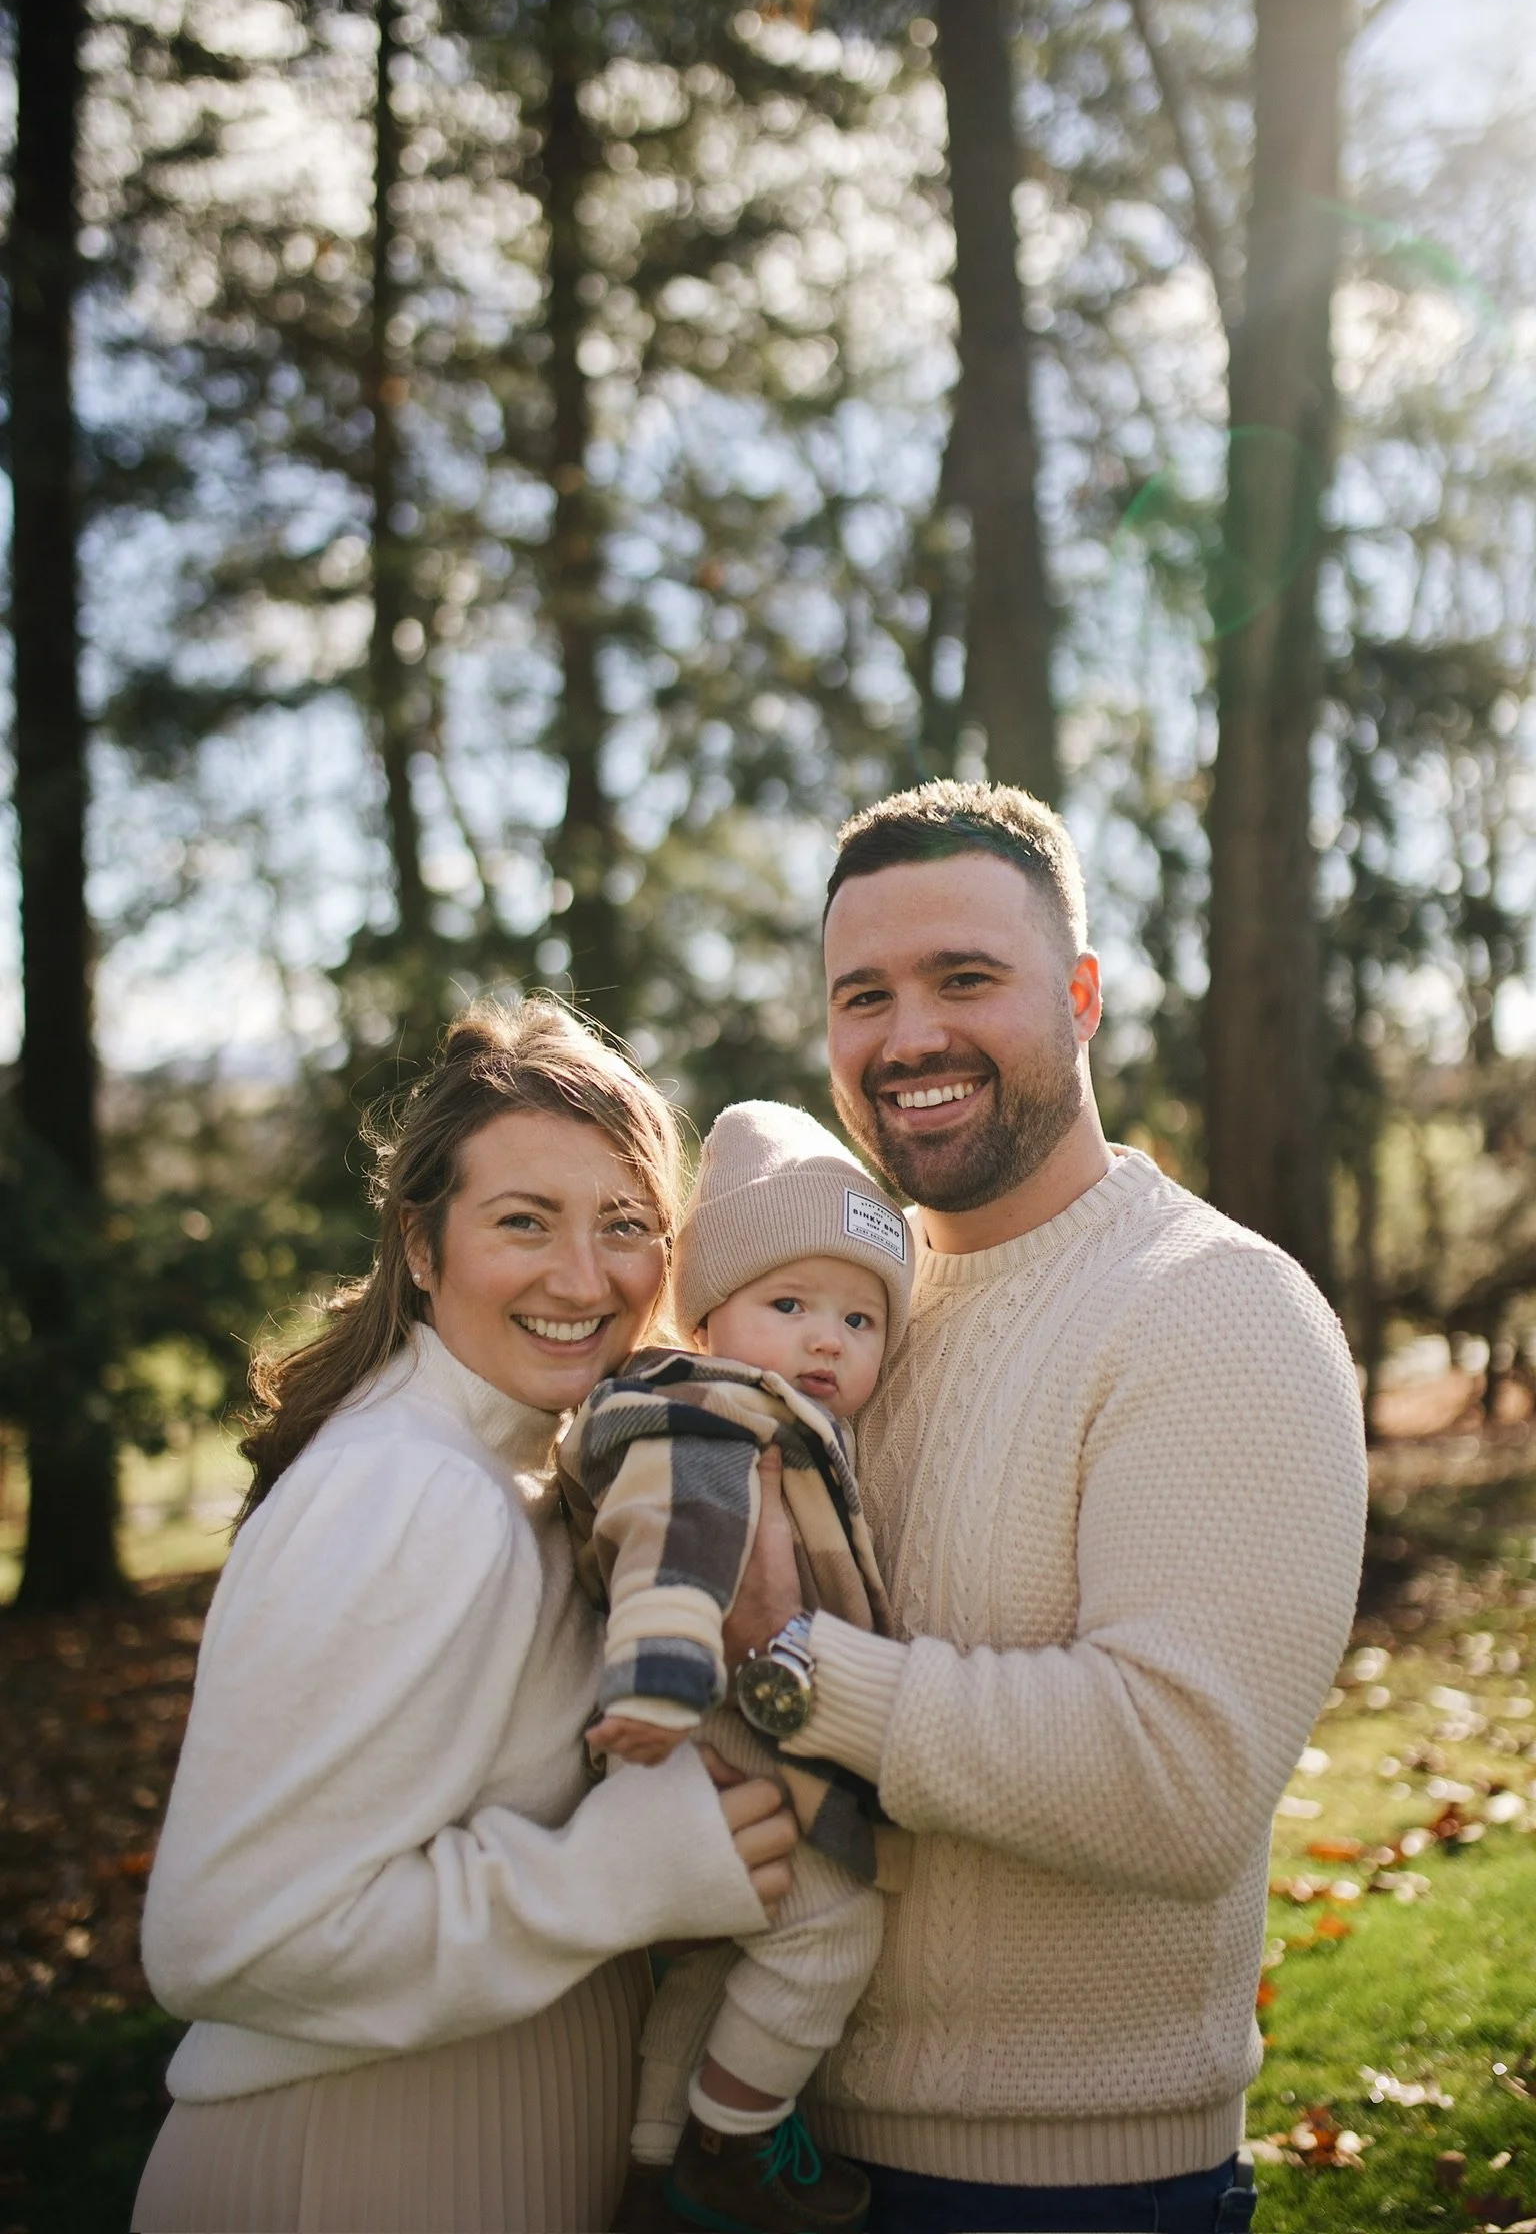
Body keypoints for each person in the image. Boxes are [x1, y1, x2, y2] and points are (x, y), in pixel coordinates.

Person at [723, 781, 1369, 2234]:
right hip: (775, 2141)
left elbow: (1181, 1782)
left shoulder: (1214, 1310)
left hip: (1067, 2189)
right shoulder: (842, 1323)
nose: (907, 1039)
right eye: (863, 995)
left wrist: (795, 1675)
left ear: (1080, 995)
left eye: (965, 979)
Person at [131, 1000, 799, 2234]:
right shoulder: (408, 1488)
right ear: (423, 1247)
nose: (582, 1277)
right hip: (350, 2166)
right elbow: (217, 1938)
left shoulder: (524, 1464)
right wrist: (618, 1876)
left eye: (625, 1225)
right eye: (523, 1223)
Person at [559, 1101, 915, 2234]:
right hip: (702, 1726)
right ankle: (732, 2145)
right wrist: (658, 1680)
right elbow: (679, 1544)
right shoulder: (710, 1418)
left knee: (714, 1964)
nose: (826, 1340)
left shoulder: (773, 1417)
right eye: (790, 1305)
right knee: (829, 1930)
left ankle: (655, 2161)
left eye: (860, 1318)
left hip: (713, 1733)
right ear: (707, 1321)